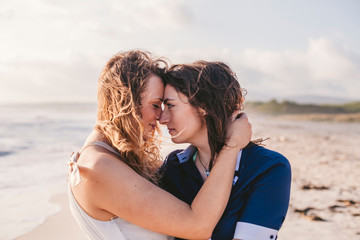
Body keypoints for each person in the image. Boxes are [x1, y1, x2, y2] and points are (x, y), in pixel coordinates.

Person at [68, 50, 252, 240]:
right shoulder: (99, 167)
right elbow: (197, 226)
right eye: (156, 105)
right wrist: (232, 145)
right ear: (126, 103)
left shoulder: (108, 158)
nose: (161, 118)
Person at [159, 61, 291, 240]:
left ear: (203, 105)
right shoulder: (173, 167)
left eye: (170, 105)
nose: (161, 118)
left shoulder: (268, 167)